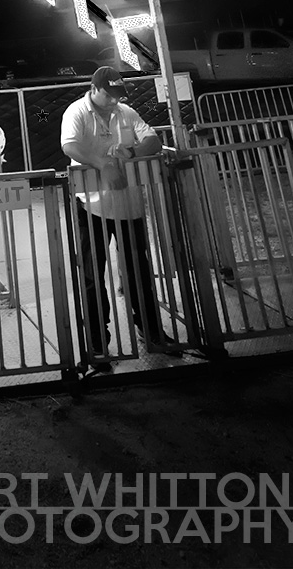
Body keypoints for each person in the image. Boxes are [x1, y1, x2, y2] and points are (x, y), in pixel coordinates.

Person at [60, 65, 181, 369]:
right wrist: (103, 164)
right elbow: (70, 145)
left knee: (139, 270)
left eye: (118, 94)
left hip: (128, 205)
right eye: (109, 94)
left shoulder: (126, 112)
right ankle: (98, 343)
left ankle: (152, 332)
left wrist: (133, 153)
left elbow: (152, 139)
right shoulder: (76, 111)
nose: (114, 100)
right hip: (90, 205)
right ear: (94, 88)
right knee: (92, 275)